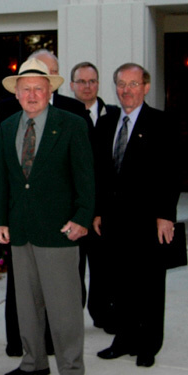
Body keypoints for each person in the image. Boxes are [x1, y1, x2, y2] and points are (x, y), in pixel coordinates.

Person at [0, 57, 94, 375]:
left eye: (39, 88)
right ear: (17, 94)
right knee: (27, 304)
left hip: (59, 230)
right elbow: (4, 179)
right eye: (26, 89)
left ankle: (72, 371)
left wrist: (82, 218)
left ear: (50, 91)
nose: (32, 95)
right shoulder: (7, 127)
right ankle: (32, 361)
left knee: (64, 307)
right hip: (20, 230)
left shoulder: (72, 124)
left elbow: (85, 177)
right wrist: (1, 221)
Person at [94, 63, 181, 368]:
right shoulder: (106, 124)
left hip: (148, 221)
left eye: (133, 84)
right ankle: (124, 339)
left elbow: (171, 174)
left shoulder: (163, 123)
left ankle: (148, 345)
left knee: (149, 284)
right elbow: (100, 174)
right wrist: (97, 211)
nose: (126, 90)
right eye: (121, 84)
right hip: (114, 221)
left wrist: (165, 216)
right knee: (119, 282)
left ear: (145, 87)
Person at [69, 61, 119, 332]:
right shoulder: (64, 115)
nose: (87, 86)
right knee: (73, 268)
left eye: (92, 81)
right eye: (81, 81)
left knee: (103, 267)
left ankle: (103, 314)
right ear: (72, 85)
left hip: (103, 208)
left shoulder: (113, 115)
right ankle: (73, 316)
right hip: (73, 208)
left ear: (99, 84)